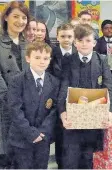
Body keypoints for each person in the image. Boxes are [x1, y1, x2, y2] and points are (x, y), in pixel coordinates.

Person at [57, 24, 112, 169]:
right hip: (73, 121)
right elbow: (63, 88)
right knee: (70, 160)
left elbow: (109, 87)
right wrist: (62, 113)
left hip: (94, 121)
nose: (84, 44)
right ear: (75, 42)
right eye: (80, 40)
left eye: (88, 40)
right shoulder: (68, 61)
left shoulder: (102, 60)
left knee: (89, 160)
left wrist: (110, 112)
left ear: (94, 43)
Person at [0, 1, 30, 168]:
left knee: (17, 143)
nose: (20, 21)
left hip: (19, 101)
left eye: (24, 17)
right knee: (1, 145)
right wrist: (11, 100)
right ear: (6, 17)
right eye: (16, 16)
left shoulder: (25, 42)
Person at [7, 41, 59, 169]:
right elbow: (15, 110)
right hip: (21, 139)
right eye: (37, 57)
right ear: (28, 58)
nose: (42, 61)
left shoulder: (54, 82)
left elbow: (54, 110)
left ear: (50, 60)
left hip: (43, 138)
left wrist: (42, 132)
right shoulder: (17, 80)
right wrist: (31, 133)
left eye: (46, 58)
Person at [45, 23, 76, 168]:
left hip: (76, 101)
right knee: (60, 137)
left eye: (69, 36)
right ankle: (60, 164)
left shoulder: (78, 53)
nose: (66, 39)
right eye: (63, 36)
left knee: (74, 137)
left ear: (74, 37)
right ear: (57, 37)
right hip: (57, 101)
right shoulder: (51, 54)